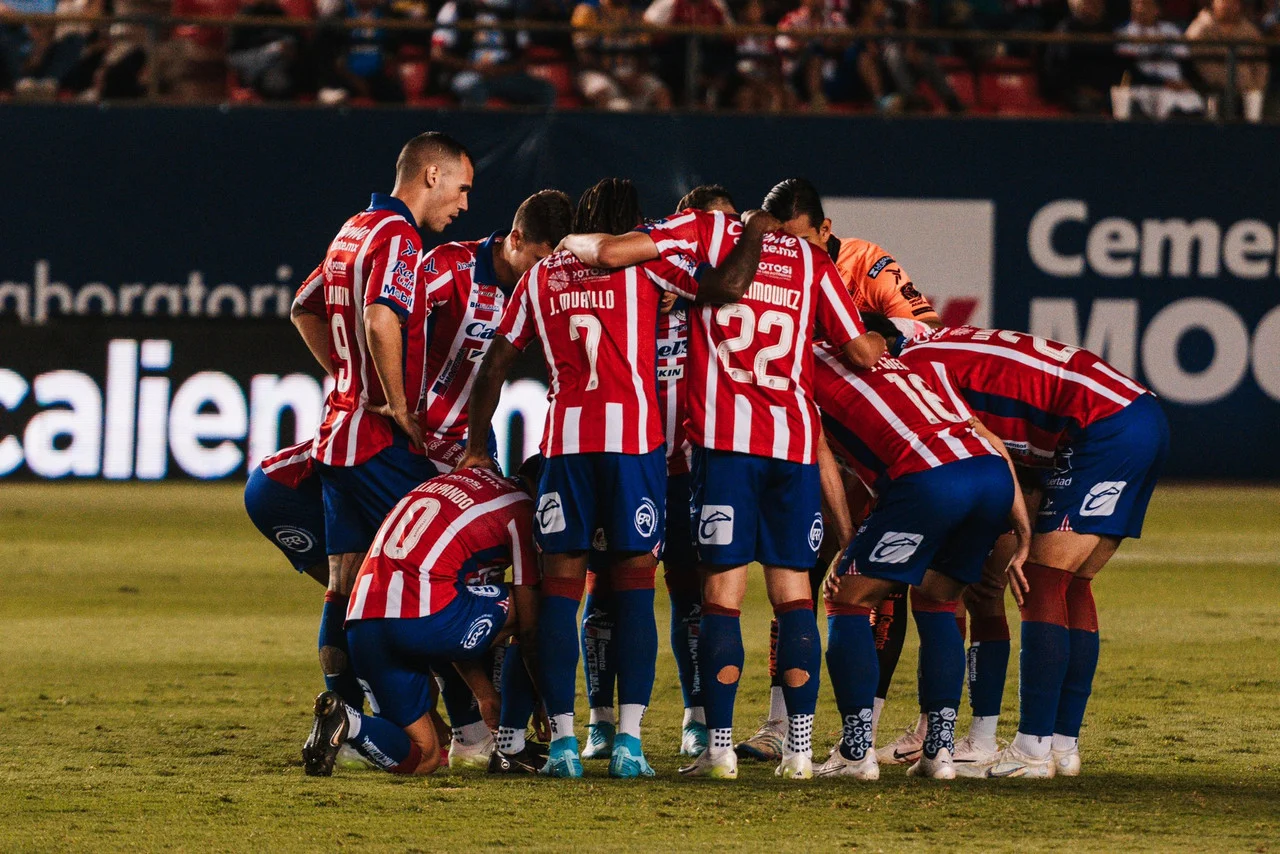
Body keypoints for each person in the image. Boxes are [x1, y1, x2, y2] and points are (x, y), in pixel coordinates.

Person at [561, 192, 888, 780]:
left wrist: (570, 243)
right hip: (791, 449)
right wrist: (890, 338)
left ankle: (718, 750)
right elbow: (861, 350)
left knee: (722, 601)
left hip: (725, 449)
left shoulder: (704, 233)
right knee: (794, 600)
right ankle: (799, 754)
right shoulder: (813, 262)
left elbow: (611, 255)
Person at [460, 179, 766, 778]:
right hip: (634, 450)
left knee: (560, 599)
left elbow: (495, 362)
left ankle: (567, 744)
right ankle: (628, 742)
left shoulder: (540, 276)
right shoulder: (651, 271)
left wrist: (476, 445)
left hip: (566, 448)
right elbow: (730, 286)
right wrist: (754, 227)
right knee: (633, 593)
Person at [730, 177, 942, 766]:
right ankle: (780, 724)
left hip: (867, 450)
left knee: (879, 582)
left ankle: (861, 728)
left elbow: (927, 326)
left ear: (826, 230)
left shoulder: (866, 263)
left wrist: (880, 335)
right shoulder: (763, 261)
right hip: (803, 440)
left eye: (802, 239)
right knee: (794, 574)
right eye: (780, 239)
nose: (790, 251)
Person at [899, 324, 1169, 777]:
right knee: (1072, 583)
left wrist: (1019, 533)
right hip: (1131, 414)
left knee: (1039, 577)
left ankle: (1031, 750)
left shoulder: (914, 369)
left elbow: (982, 446)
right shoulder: (940, 345)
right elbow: (1016, 441)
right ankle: (1062, 747)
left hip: (1103, 425)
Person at [289, 132, 472, 723]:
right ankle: (475, 723)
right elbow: (379, 317)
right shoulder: (398, 235)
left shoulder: (353, 228)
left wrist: (348, 376)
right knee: (433, 572)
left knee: (344, 579)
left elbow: (304, 307)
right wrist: (394, 402)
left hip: (337, 433)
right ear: (432, 175)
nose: (464, 205)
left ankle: (340, 709)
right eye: (462, 189)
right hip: (377, 440)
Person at [815, 329, 1031, 780]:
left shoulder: (802, 371)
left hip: (929, 478)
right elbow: (988, 439)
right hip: (989, 477)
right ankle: (940, 754)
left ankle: (856, 753)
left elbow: (823, 463)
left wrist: (848, 539)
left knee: (847, 600)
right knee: (937, 600)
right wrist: (1024, 528)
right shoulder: (922, 367)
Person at [576, 185, 739, 763]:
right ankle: (599, 719)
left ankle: (696, 718)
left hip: (691, 468)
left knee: (690, 596)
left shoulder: (716, 305)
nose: (724, 242)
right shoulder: (650, 275)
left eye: (733, 230)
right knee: (604, 597)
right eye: (713, 229)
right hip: (627, 459)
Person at [301, 462, 543, 777]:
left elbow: (462, 611)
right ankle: (512, 743)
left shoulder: (459, 481)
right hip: (424, 616)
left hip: (364, 619)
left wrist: (483, 693)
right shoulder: (521, 511)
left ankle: (349, 722)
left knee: (424, 756)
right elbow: (531, 626)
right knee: (533, 606)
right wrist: (544, 699)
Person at [416, 190, 574, 475]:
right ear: (516, 239)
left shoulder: (550, 286)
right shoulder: (452, 265)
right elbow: (387, 318)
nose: (544, 273)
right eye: (539, 260)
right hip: (417, 436)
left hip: (474, 438)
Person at [431, 0, 556, 108]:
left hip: (504, 72)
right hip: (469, 72)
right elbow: (438, 54)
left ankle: (534, 136)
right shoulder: (455, 8)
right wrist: (474, 67)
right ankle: (474, 135)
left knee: (544, 90)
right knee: (469, 87)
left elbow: (524, 56)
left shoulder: (511, 11)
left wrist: (501, 70)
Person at [571, 0, 671, 111]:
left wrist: (636, 75)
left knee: (661, 93)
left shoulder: (636, 14)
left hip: (631, 72)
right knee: (602, 92)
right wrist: (618, 79)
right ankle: (604, 127)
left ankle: (666, 128)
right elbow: (584, 56)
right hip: (597, 72)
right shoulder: (588, 10)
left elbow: (643, 53)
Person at [1115, 0, 1204, 119]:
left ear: (1157, 9)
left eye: (1145, 4)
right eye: (1136, 4)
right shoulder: (1124, 33)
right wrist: (1163, 83)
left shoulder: (1171, 30)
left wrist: (1188, 82)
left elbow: (1186, 63)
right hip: (1144, 88)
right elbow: (1129, 70)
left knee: (1195, 105)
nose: (1140, 8)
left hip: (1177, 86)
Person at [1185, 0, 1268, 119]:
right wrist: (1234, 82)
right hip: (1212, 87)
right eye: (1225, 2)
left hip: (1248, 87)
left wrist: (1256, 84)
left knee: (1255, 95)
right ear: (1213, 3)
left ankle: (1254, 132)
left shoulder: (1249, 30)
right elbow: (1204, 67)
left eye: (1234, 2)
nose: (1229, 6)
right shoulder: (1201, 28)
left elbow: (1261, 63)